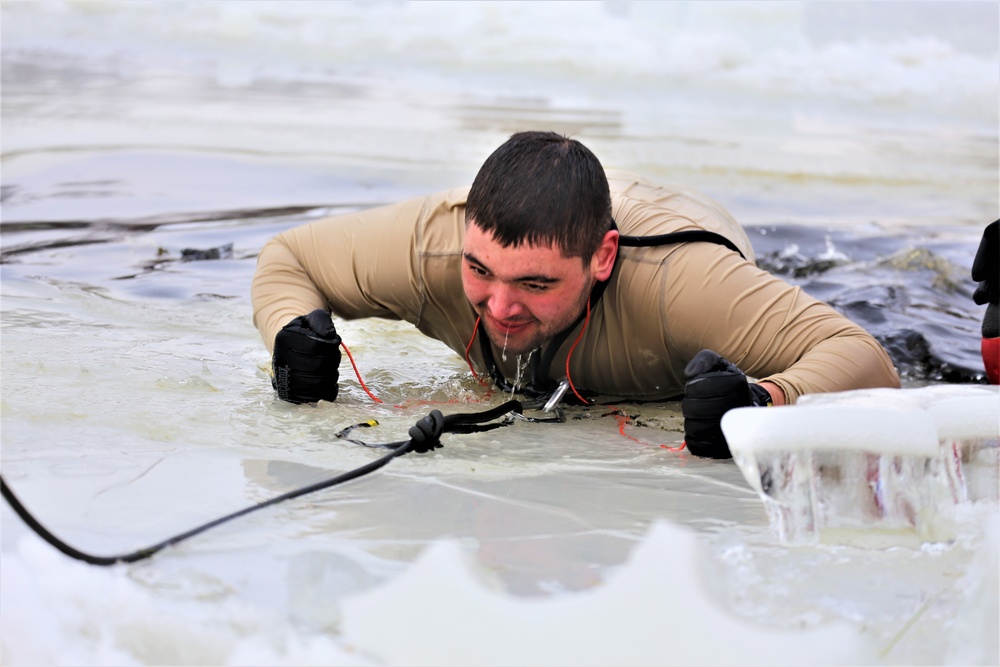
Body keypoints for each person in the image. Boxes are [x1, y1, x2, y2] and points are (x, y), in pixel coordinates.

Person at [252, 131, 900, 458]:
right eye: (482, 272)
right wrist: (291, 334)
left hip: (685, 234)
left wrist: (764, 400)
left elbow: (863, 354)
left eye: (535, 284)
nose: (501, 307)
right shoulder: (435, 245)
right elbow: (289, 257)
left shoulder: (680, 285)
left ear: (601, 259)